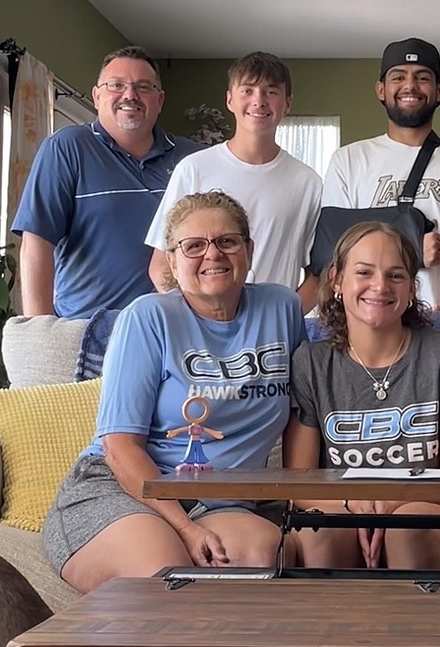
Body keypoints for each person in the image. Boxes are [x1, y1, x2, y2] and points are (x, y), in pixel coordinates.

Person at [42, 191, 306, 591]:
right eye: (194, 246)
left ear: (248, 251)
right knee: (167, 575)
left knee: (265, 556)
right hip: (121, 489)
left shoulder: (282, 309)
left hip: (219, 500)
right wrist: (184, 528)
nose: (212, 254)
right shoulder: (147, 318)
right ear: (172, 261)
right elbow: (119, 446)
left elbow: (301, 416)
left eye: (227, 241)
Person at [285, 222, 440, 570]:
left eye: (395, 275)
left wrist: (390, 504)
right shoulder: (310, 362)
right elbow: (299, 479)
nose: (380, 286)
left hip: (430, 509)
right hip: (337, 506)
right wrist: (350, 504)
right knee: (321, 534)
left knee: (408, 530)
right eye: (364, 272)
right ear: (336, 281)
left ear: (411, 288)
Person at [13, 47, 196, 318]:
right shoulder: (66, 148)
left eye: (143, 87)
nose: (130, 95)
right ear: (97, 96)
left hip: (170, 331)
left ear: (160, 100)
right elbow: (37, 242)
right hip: (85, 332)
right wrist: (40, 332)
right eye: (116, 85)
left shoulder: (191, 159)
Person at [321, 38, 440, 311]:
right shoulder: (348, 160)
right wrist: (412, 245)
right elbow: (333, 246)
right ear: (381, 89)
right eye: (398, 77)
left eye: (422, 77)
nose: (410, 86)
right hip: (367, 319)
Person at [146, 52, 321, 311]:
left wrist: (283, 317)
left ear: (288, 103)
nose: (258, 101)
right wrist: (197, 318)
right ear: (230, 100)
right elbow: (161, 265)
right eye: (247, 90)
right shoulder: (194, 169)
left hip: (271, 334)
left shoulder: (308, 183)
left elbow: (319, 276)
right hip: (202, 330)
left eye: (271, 92)